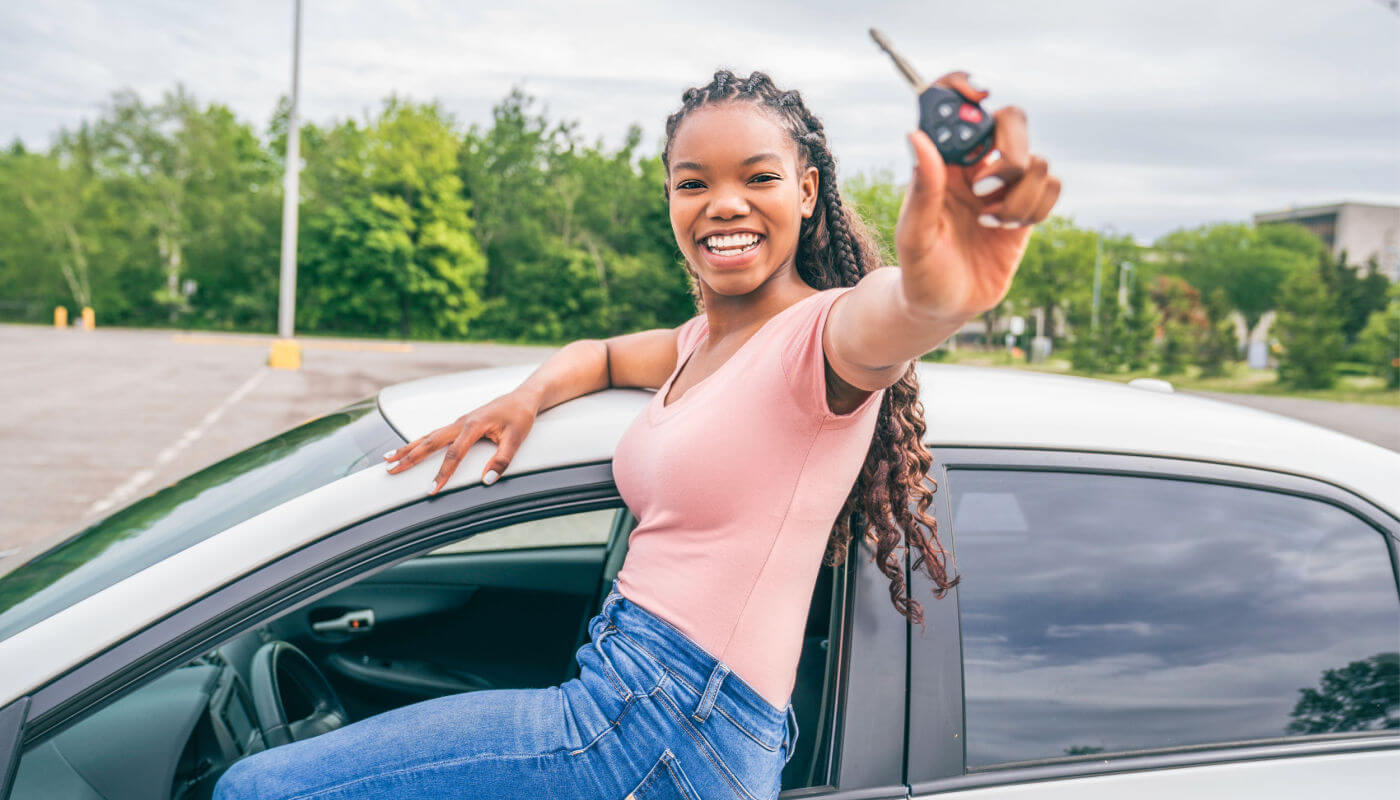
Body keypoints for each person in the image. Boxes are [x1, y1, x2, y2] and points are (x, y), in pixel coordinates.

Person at [214, 67, 1059, 800]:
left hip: (664, 726)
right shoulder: (702, 341)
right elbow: (604, 355)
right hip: (639, 704)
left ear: (807, 192)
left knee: (253, 787)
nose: (722, 203)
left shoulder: (825, 338)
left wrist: (945, 292)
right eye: (693, 184)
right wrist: (527, 397)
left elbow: (905, 311)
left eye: (757, 178)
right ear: (669, 201)